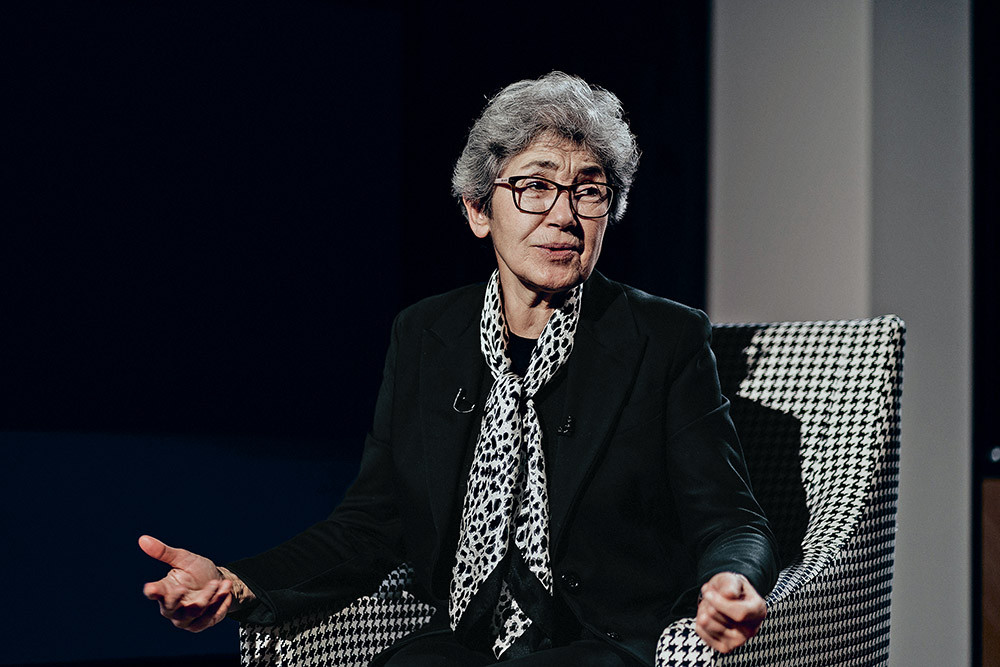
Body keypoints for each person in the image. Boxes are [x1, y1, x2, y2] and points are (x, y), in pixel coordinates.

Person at [140, 71, 777, 666]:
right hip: (462, 639)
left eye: (589, 191)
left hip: (600, 641)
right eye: (535, 187)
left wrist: (731, 580)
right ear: (478, 210)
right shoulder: (425, 335)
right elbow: (369, 525)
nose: (564, 217)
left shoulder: (663, 339)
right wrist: (238, 582)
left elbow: (731, 520)